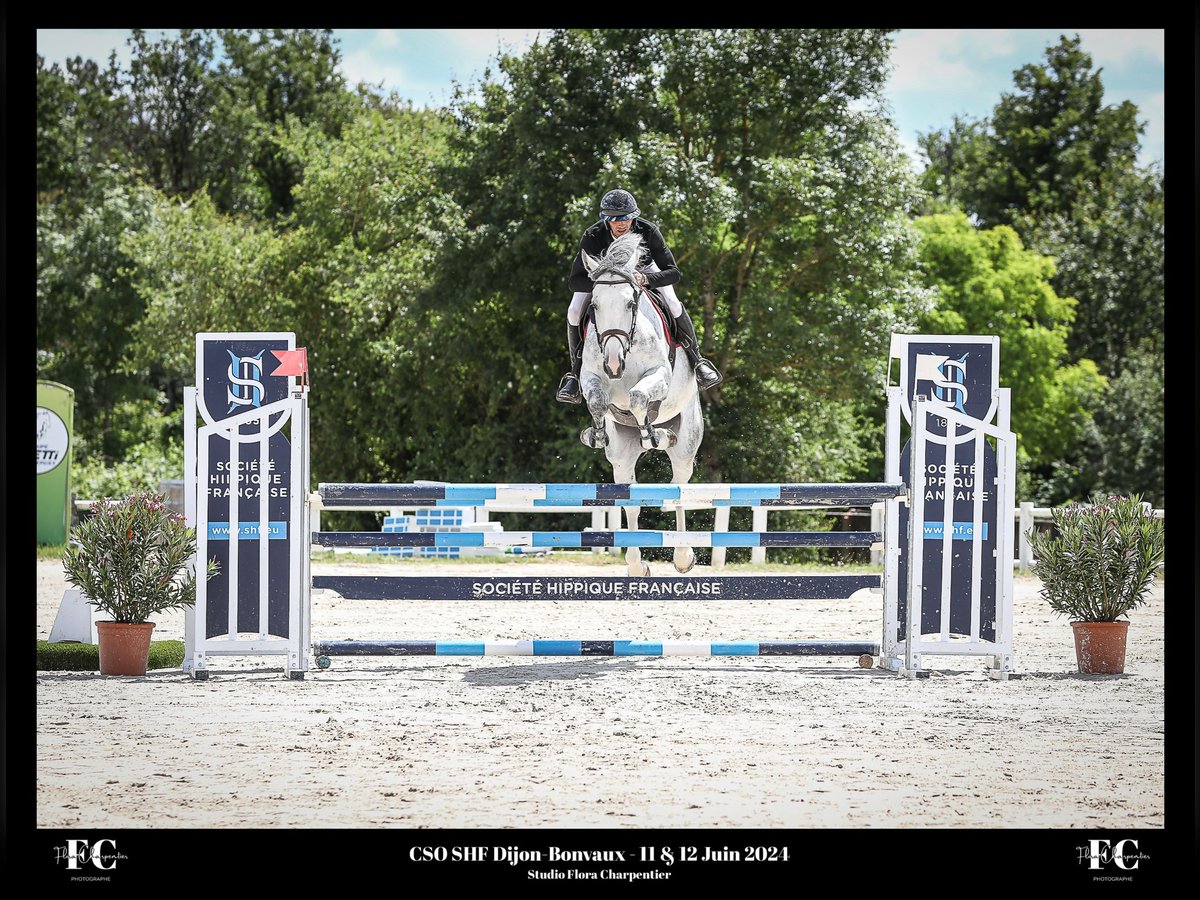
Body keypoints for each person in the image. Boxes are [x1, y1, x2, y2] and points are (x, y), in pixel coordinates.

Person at [556, 189, 723, 404]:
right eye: (615, 219)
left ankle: (698, 362)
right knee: (574, 310)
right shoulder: (593, 235)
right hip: (604, 279)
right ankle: (574, 374)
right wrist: (607, 282)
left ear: (633, 216)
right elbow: (575, 281)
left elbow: (674, 272)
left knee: (672, 302)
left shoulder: (648, 230)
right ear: (606, 220)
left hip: (644, 272)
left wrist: (645, 279)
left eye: (626, 218)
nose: (622, 223)